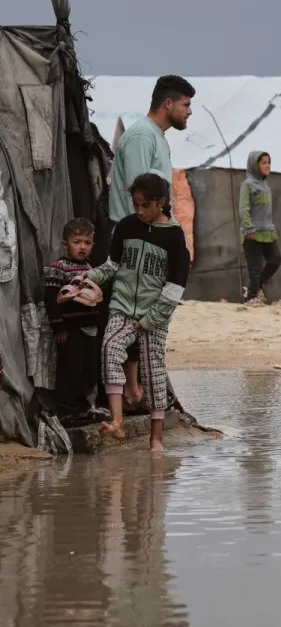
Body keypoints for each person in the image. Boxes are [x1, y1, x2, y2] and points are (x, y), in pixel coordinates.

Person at [77, 173, 190, 451]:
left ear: (160, 202)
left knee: (153, 371)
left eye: (144, 206)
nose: (138, 211)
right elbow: (113, 265)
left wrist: (150, 320)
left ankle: (156, 439)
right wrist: (87, 277)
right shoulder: (127, 226)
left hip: (155, 315)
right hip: (122, 306)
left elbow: (175, 287)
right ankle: (117, 423)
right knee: (111, 348)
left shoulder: (175, 237)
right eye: (135, 204)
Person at [103, 75, 194, 411]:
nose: (189, 112)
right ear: (167, 103)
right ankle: (130, 393)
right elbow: (138, 195)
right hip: (133, 242)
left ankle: (139, 393)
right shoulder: (142, 135)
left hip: (150, 242)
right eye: (186, 104)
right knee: (131, 313)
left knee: (148, 315)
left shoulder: (155, 136)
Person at [45, 218, 103, 421]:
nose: (82, 247)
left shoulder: (90, 268)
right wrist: (58, 327)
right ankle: (65, 410)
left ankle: (83, 408)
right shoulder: (58, 268)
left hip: (89, 329)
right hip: (70, 330)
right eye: (77, 242)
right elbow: (50, 300)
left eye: (87, 243)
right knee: (71, 369)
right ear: (65, 244)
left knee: (89, 370)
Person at [239, 150, 281, 305]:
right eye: (263, 163)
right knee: (255, 268)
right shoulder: (248, 185)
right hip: (253, 233)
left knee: (275, 260)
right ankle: (250, 297)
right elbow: (244, 208)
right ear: (255, 166)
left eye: (268, 162)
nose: (267, 166)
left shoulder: (265, 185)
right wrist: (249, 228)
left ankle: (256, 288)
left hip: (267, 232)